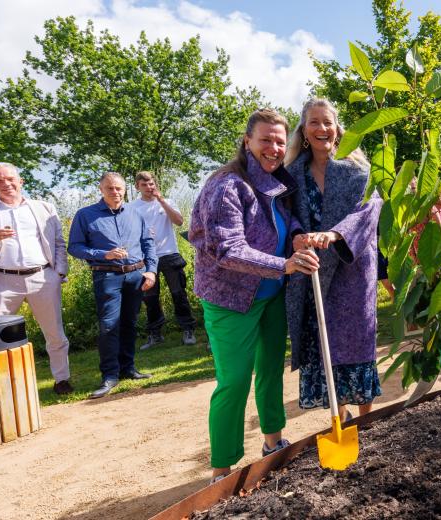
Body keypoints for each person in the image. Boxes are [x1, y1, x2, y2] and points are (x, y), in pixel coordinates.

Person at [190, 108, 320, 484]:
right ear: (247, 141)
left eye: (280, 141)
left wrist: (296, 234)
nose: (274, 148)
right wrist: (285, 265)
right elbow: (228, 249)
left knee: (269, 372)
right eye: (266, 139)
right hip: (230, 299)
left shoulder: (276, 181)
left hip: (270, 296)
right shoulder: (227, 186)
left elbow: (287, 218)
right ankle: (222, 469)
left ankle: (273, 442)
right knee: (233, 381)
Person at [284, 98, 383, 421]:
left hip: (351, 270)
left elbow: (370, 210)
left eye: (327, 122)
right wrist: (298, 234)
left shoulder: (358, 170)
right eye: (314, 122)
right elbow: (287, 214)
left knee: (355, 341)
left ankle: (367, 419)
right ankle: (340, 417)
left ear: (337, 129)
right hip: (312, 270)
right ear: (304, 130)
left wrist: (337, 234)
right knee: (324, 343)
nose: (321, 128)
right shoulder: (291, 174)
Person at [0, 163, 72, 394]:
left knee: (55, 333)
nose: (6, 184)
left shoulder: (44, 207)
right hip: (0, 281)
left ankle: (62, 380)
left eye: (10, 179)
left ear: (21, 181)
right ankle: (3, 388)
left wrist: (59, 273)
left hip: (43, 277)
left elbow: (58, 242)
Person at [68, 172, 157, 399]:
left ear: (125, 189)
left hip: (136, 275)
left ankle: (128, 368)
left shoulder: (136, 214)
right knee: (108, 326)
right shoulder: (85, 215)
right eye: (110, 188)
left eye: (118, 188)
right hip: (107, 276)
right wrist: (102, 254)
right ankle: (109, 375)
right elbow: (75, 247)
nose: (115, 192)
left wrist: (151, 271)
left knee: (130, 323)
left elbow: (148, 243)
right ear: (101, 190)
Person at [129, 171, 197, 349]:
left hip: (169, 254)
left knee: (179, 293)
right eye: (144, 185)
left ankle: (188, 330)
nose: (149, 187)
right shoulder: (132, 207)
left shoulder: (168, 201)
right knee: (150, 297)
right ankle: (155, 334)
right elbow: (128, 233)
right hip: (145, 258)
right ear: (137, 187)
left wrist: (162, 201)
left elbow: (180, 222)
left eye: (151, 184)